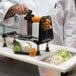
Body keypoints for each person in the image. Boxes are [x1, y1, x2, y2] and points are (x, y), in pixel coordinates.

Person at [0, 0, 76, 76]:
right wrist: (13, 8)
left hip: (53, 57)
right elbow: (3, 5)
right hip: (24, 54)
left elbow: (71, 27)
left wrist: (68, 60)